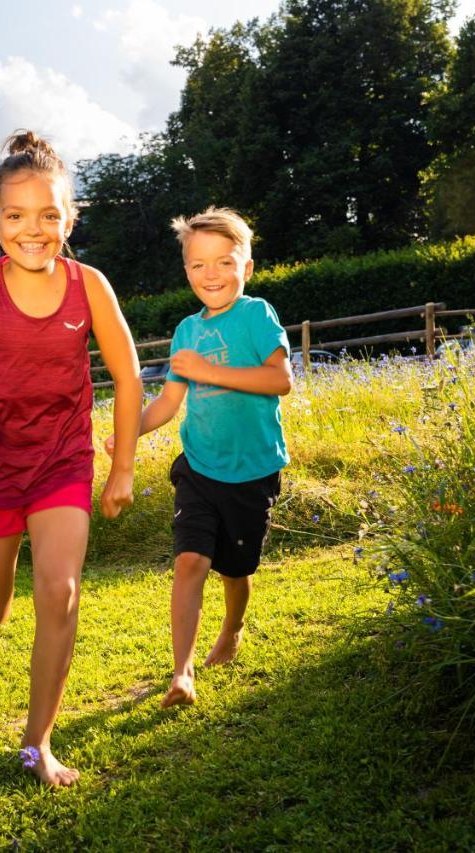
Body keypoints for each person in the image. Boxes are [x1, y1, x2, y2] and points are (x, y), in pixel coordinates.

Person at [0, 130, 141, 786]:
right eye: (15, 216)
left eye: (50, 215)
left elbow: (128, 378)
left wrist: (122, 465)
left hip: (63, 462)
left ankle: (37, 742)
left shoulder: (89, 287)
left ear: (69, 219)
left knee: (60, 589)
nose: (33, 230)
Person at [107, 207, 292, 709]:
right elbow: (168, 403)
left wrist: (210, 371)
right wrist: (127, 435)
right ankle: (182, 673)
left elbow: (280, 380)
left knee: (236, 570)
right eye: (198, 265)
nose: (211, 275)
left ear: (246, 268)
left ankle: (232, 628)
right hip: (200, 466)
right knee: (190, 561)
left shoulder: (257, 315)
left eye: (224, 262)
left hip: (253, 470)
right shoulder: (186, 330)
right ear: (186, 270)